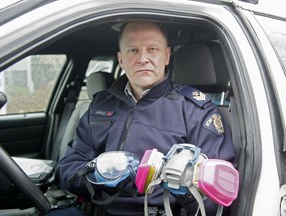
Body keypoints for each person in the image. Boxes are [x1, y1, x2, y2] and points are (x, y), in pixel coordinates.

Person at [48, 21, 237, 216]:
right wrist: (96, 172)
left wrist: (186, 192)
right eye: (133, 50)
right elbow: (66, 169)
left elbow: (221, 195)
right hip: (99, 210)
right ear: (121, 59)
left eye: (152, 49)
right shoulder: (101, 105)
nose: (143, 58)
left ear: (166, 55)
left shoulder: (195, 110)